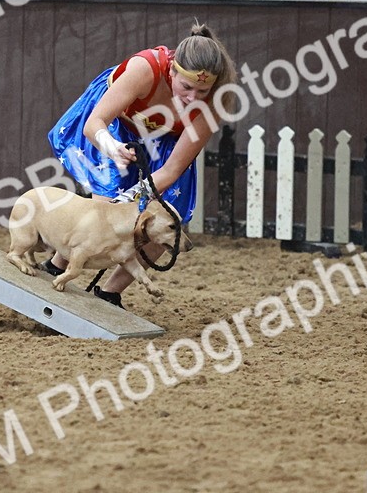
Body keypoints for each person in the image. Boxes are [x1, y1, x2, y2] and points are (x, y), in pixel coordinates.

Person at [44, 23, 237, 308]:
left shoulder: (213, 104)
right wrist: (113, 148)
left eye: (203, 90)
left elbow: (172, 170)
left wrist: (132, 198)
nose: (192, 98)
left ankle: (109, 294)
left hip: (163, 143)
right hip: (112, 128)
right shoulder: (144, 69)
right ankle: (57, 265)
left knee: (167, 221)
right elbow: (94, 124)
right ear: (172, 71)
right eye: (186, 87)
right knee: (103, 211)